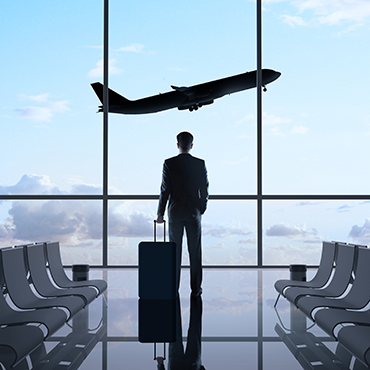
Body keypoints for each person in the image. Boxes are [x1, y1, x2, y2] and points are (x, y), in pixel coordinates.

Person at [156, 131, 209, 296]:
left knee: (175, 252)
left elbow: (165, 190)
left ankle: (174, 287)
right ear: (191, 145)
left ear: (177, 145)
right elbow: (204, 189)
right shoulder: (200, 163)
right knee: (195, 252)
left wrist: (160, 213)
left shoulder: (169, 163)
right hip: (194, 212)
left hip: (176, 212)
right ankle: (196, 289)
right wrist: (201, 208)